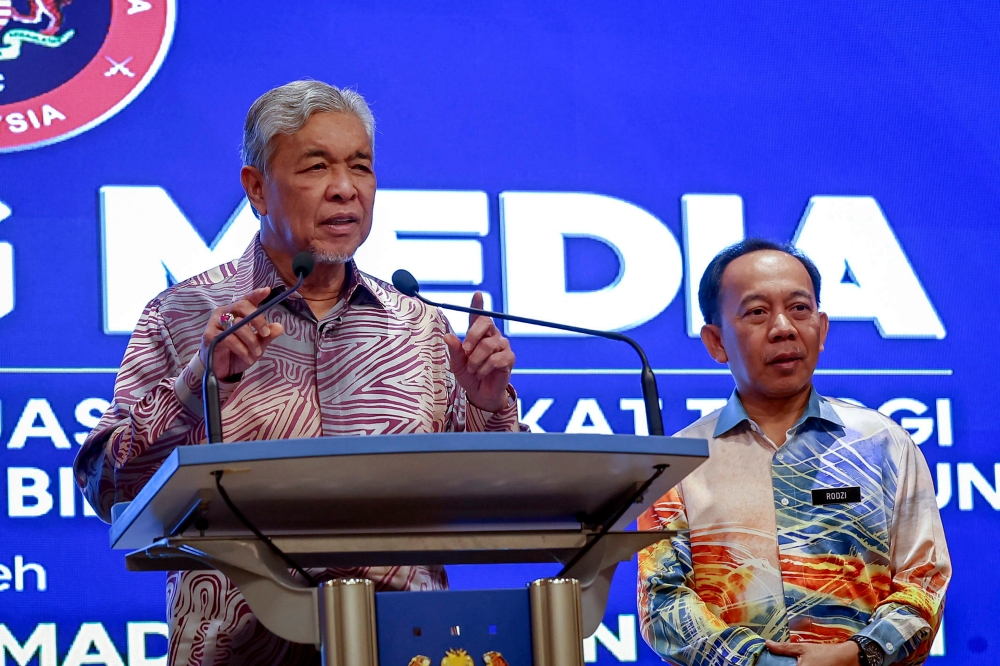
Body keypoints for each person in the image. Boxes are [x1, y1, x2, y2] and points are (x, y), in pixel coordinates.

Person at [74, 80, 525, 665]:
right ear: (257, 188)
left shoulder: (419, 326)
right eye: (316, 167)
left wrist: (488, 406)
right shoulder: (182, 314)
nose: (345, 188)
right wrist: (197, 382)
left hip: (404, 646)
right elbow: (109, 487)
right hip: (237, 652)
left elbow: (499, 497)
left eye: (360, 166)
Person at [637, 239, 950, 666]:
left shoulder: (884, 444)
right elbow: (663, 603)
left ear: (822, 329)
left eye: (799, 308)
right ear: (716, 341)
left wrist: (856, 655)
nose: (783, 327)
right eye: (757, 312)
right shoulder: (677, 464)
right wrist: (765, 664)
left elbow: (924, 580)